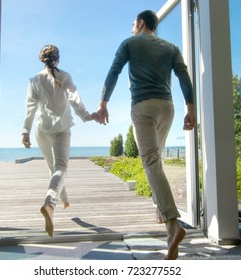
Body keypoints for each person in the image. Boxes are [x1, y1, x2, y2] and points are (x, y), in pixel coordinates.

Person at [96, 10, 196, 260]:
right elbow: (183, 76)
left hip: (144, 107)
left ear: (141, 23)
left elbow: (114, 71)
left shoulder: (129, 43)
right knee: (156, 162)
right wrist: (190, 109)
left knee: (150, 163)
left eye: (133, 23)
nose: (132, 28)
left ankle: (173, 225)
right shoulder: (171, 47)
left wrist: (103, 102)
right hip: (168, 108)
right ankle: (164, 217)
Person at [22, 45, 98, 237]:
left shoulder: (34, 80)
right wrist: (87, 116)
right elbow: (74, 99)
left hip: (42, 130)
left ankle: (63, 200)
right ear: (58, 59)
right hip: (61, 129)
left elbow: (30, 108)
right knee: (60, 168)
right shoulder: (65, 76)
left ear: (42, 59)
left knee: (53, 168)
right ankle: (50, 203)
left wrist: (25, 132)